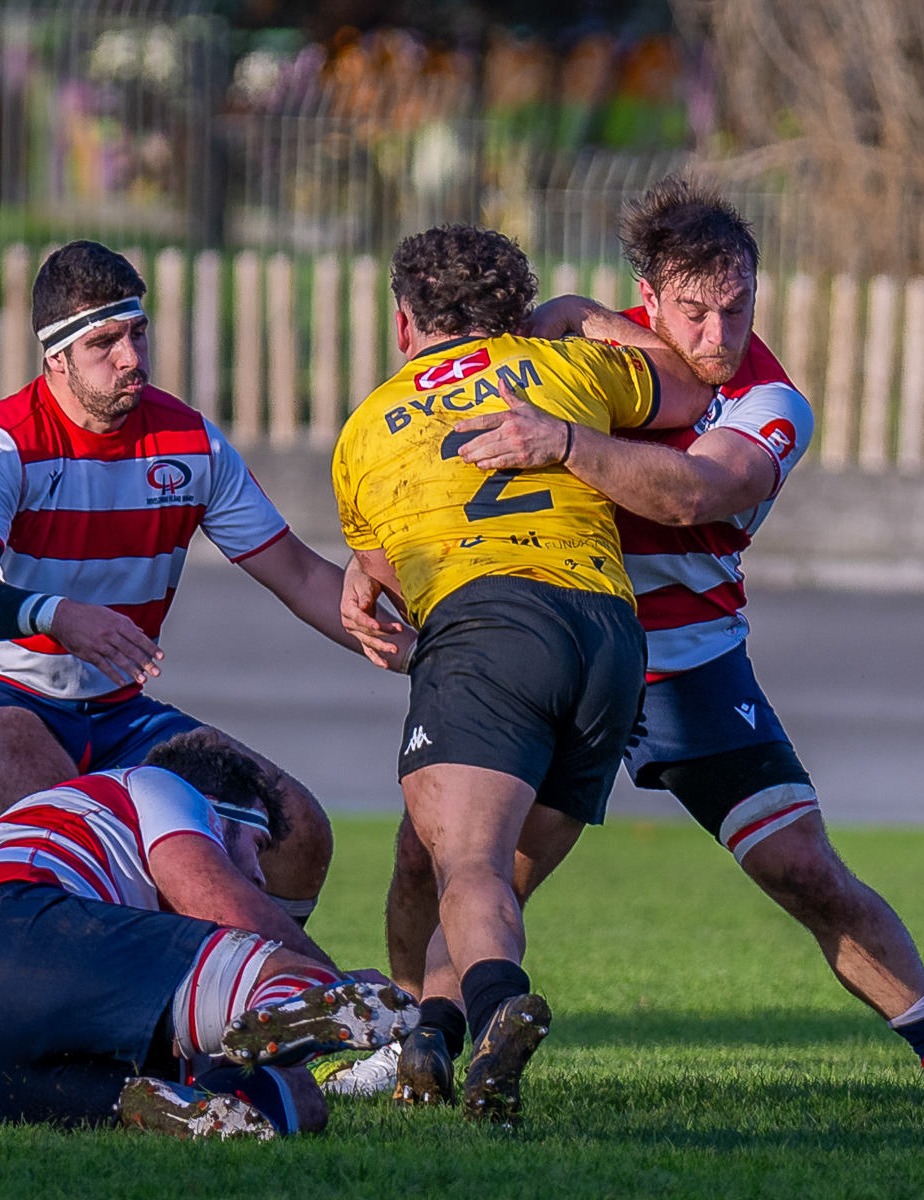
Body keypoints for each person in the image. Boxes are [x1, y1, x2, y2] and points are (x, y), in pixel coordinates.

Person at [327, 179, 924, 1116]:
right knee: (444, 859)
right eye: (693, 313)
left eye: (735, 309)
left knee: (803, 871)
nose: (715, 337)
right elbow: (438, 439)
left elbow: (698, 493)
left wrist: (567, 444)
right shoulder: (576, 342)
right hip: (560, 639)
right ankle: (421, 1038)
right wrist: (366, 557)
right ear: (649, 301)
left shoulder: (770, 400)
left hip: (687, 663)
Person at [329, 223, 714, 1125]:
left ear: (402, 322)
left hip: (490, 627)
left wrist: (364, 576)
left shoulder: (363, 432)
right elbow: (691, 382)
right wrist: (589, 319)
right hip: (608, 641)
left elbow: (384, 567)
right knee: (469, 871)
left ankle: (501, 1012)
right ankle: (426, 1035)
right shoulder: (567, 370)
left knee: (466, 863)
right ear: (521, 309)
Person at [0, 241, 407, 923]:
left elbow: (297, 574)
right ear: (56, 356)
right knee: (90, 840)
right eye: (105, 343)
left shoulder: (190, 444)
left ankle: (251, 1012)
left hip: (118, 714)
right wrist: (57, 616)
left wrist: (426, 654)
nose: (131, 357)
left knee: (296, 832)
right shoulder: (7, 442)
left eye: (138, 333)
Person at [0, 729, 415, 1139]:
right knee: (279, 968)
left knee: (302, 1098)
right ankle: (303, 996)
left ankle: (160, 1105)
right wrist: (330, 977)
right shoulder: (162, 787)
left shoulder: (82, 843)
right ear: (215, 807)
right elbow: (211, 894)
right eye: (256, 846)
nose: (259, 876)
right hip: (14, 929)